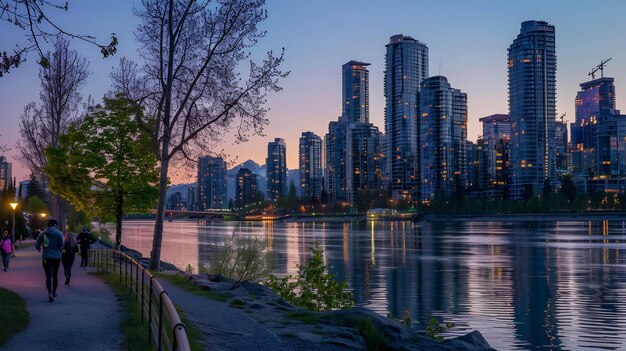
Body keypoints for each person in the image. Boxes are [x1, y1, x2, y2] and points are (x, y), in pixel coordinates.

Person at [35, 219, 64, 302]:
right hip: (56, 257)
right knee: (55, 275)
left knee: (48, 276)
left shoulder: (43, 233)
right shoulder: (59, 233)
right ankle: (54, 293)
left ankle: (49, 293)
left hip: (46, 257)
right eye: (57, 225)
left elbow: (36, 244)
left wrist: (39, 249)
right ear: (54, 225)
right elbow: (62, 244)